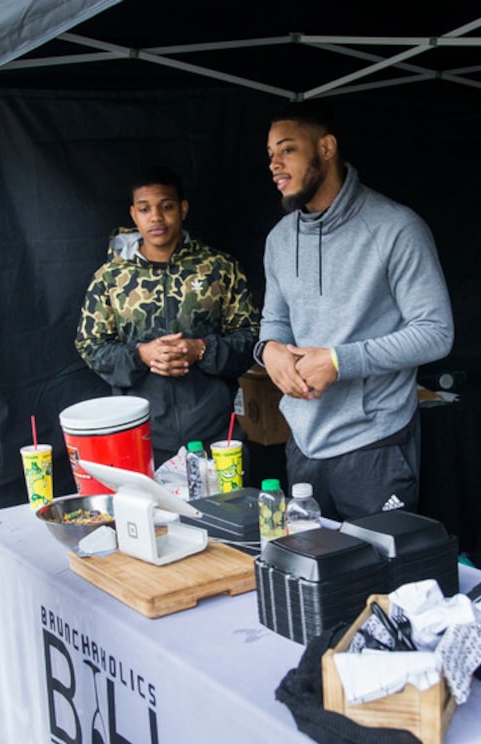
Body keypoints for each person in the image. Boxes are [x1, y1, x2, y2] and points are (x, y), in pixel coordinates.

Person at [258, 101, 454, 520]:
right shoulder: (278, 239)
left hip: (376, 444)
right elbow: (274, 322)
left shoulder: (396, 228)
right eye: (271, 154)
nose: (274, 164)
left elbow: (436, 331)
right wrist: (269, 350)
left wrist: (337, 361)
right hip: (303, 441)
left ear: (326, 148)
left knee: (383, 578)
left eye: (287, 150)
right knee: (314, 580)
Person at [76, 165, 259, 463]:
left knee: (224, 509)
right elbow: (90, 345)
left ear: (183, 209)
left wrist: (202, 349)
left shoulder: (219, 268)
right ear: (134, 215)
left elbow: (251, 337)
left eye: (166, 206)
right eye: (145, 209)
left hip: (215, 433)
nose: (156, 217)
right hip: (139, 434)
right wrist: (141, 355)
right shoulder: (111, 277)